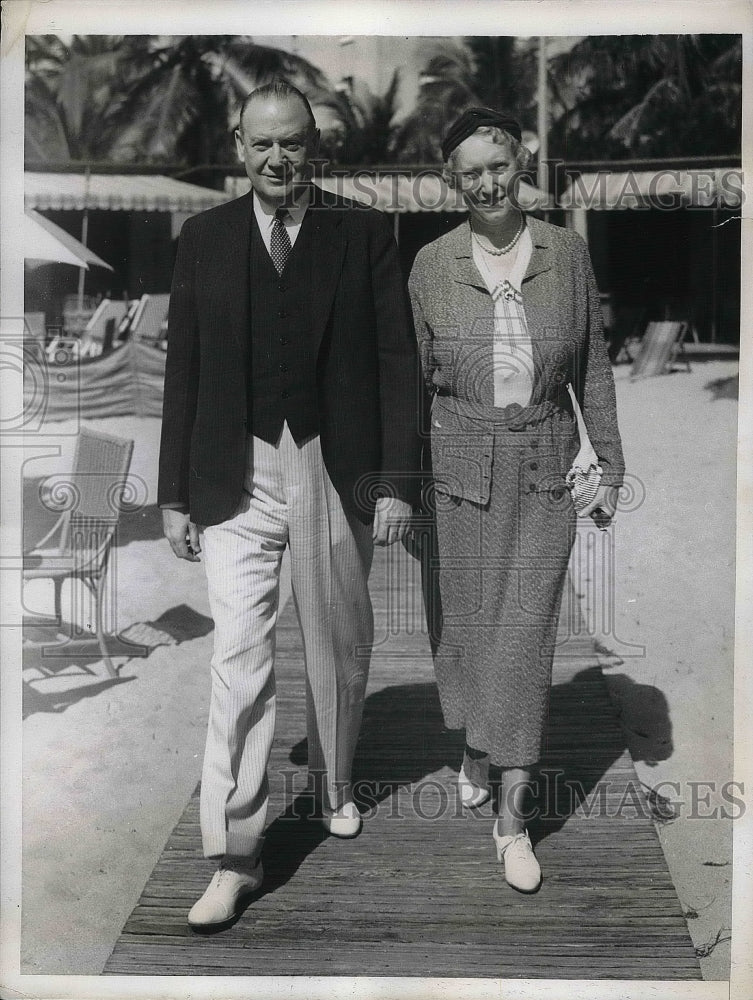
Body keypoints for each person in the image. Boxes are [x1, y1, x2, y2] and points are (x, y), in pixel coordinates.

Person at [158, 81, 420, 928]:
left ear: (317, 147)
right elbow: (183, 374)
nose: (279, 159)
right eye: (262, 144)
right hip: (233, 474)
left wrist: (393, 484)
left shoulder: (363, 233)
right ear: (239, 145)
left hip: (329, 466)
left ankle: (336, 784)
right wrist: (174, 496)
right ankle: (234, 854)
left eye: (294, 143)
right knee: (238, 658)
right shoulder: (201, 238)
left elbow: (394, 366)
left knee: (338, 643)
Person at [407, 108, 624, 893]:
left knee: (525, 633)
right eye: (471, 172)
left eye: (499, 165)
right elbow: (411, 379)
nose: (488, 182)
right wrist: (405, 486)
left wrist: (608, 460)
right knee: (466, 627)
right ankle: (473, 741)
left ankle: (512, 818)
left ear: (520, 163)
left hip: (546, 463)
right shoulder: (430, 264)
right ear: (451, 180)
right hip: (458, 461)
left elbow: (591, 367)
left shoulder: (566, 253)